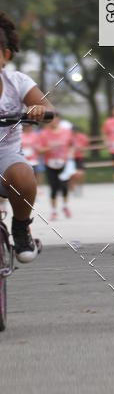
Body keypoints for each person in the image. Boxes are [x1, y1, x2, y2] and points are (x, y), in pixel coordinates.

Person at [0, 13, 54, 261]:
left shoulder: (17, 82)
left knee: (23, 175)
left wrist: (39, 110)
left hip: (6, 158)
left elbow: (46, 107)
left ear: (5, 56)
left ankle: (21, 227)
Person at [37, 112, 73, 220]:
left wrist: (70, 155)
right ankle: (53, 211)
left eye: (56, 119)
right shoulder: (43, 133)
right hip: (50, 164)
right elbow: (39, 150)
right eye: (51, 119)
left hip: (64, 163)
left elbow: (71, 145)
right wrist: (50, 147)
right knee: (53, 188)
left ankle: (65, 206)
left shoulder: (67, 132)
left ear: (59, 120)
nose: (54, 121)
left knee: (64, 186)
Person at [70, 126, 90, 193]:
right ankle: (72, 188)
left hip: (79, 157)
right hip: (71, 157)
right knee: (71, 174)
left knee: (80, 173)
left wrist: (80, 148)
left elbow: (86, 147)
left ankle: (79, 187)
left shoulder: (82, 137)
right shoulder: (69, 136)